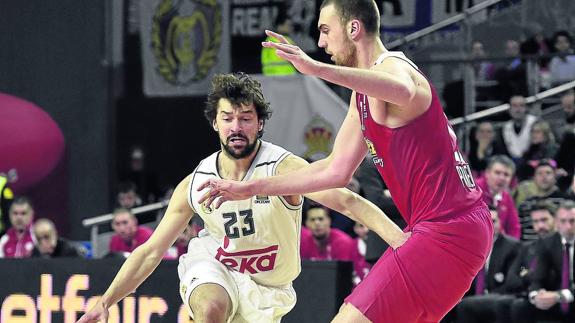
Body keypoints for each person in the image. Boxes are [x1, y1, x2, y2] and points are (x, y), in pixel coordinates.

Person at [197, 1, 493, 322]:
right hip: (451, 228)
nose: (321, 43)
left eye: (325, 31)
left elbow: (404, 91)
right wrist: (249, 187)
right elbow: (334, 170)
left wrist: (317, 69)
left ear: (353, 29)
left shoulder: (395, 67)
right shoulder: (361, 94)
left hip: (448, 228)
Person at [77, 73, 408, 323]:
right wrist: (106, 300)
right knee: (210, 309)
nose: (237, 127)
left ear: (260, 123)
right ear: (215, 124)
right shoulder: (196, 183)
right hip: (216, 265)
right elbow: (150, 252)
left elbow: (347, 201)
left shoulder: (283, 167)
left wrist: (400, 240)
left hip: (269, 288)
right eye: (228, 118)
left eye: (246, 118)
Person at [510, 200, 575, 322]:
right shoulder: (546, 244)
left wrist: (559, 296)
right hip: (554, 297)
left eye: (572, 221)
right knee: (519, 307)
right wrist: (536, 295)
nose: (568, 226)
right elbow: (536, 278)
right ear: (557, 222)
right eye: (563, 221)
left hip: (566, 295)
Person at [476, 155, 521, 239]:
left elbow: (514, 228)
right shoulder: (473, 190)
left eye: (506, 175)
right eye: (497, 173)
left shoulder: (506, 197)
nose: (501, 178)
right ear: (487, 173)